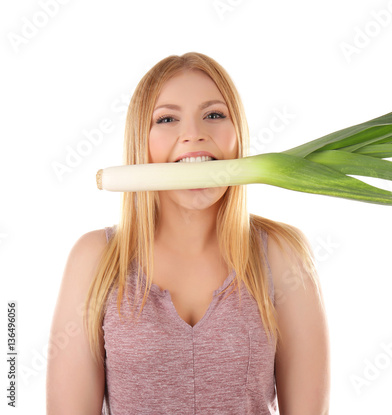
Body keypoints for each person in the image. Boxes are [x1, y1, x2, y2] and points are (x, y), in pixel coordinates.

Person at [46, 52, 330, 414]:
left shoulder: (281, 253)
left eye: (214, 114)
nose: (194, 134)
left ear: (238, 135)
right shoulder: (96, 258)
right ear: (141, 142)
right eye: (167, 118)